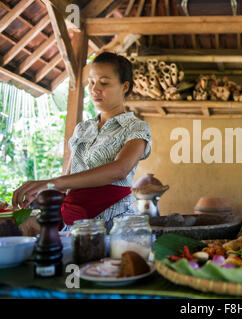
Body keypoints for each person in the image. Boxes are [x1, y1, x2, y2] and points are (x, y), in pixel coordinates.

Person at [12, 52, 151, 233]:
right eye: (92, 82)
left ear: (124, 87)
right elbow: (69, 180)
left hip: (115, 223)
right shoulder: (82, 129)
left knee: (107, 260)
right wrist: (38, 193)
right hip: (75, 221)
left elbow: (120, 170)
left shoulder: (136, 128)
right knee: (27, 229)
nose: (95, 89)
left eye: (104, 83)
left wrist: (50, 183)